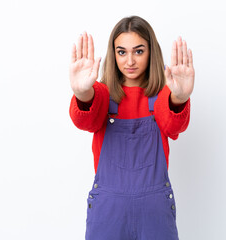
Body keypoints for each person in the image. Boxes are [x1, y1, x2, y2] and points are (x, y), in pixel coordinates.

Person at [69, 15, 194, 240]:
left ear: (150, 52)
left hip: (154, 211)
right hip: (109, 212)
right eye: (122, 52)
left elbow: (175, 124)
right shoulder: (102, 94)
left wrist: (179, 97)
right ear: (113, 54)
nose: (130, 61)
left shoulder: (163, 95)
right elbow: (85, 120)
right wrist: (82, 93)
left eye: (138, 51)